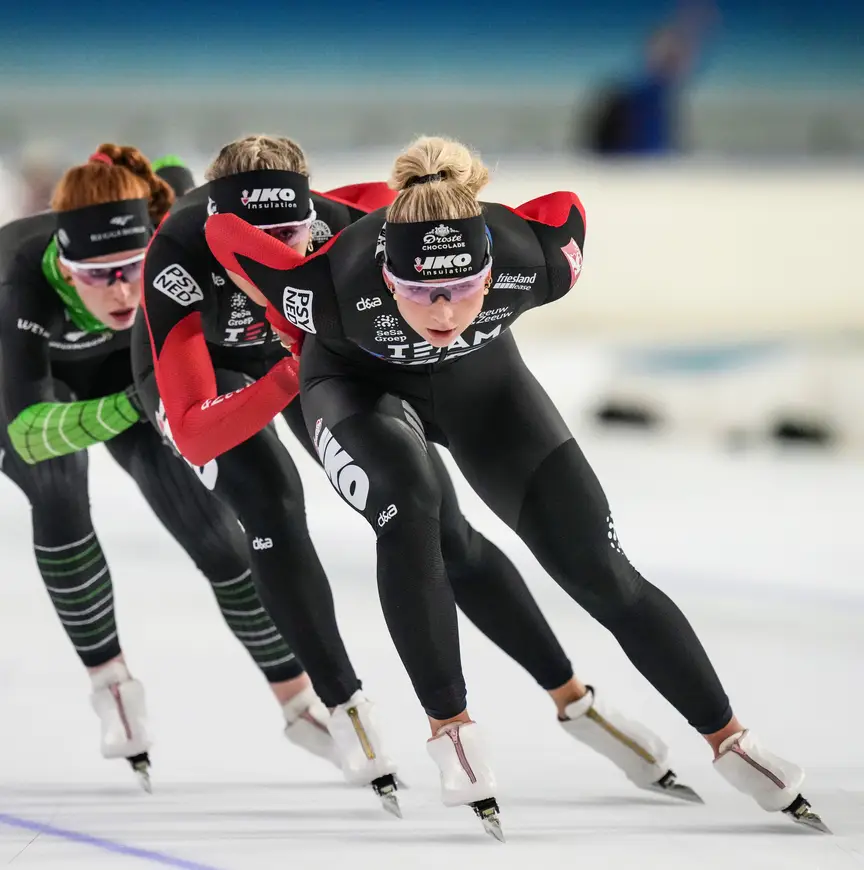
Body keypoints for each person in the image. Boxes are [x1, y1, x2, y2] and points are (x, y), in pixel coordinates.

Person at [201, 135, 829, 840]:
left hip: (485, 390)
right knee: (410, 510)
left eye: (463, 290)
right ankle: (452, 727)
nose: (442, 313)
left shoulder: (532, 258)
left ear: (491, 270)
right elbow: (227, 237)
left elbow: (567, 209)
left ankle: (732, 740)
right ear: (386, 272)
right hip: (355, 388)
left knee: (602, 571)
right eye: (419, 293)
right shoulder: (331, 284)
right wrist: (285, 331)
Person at [0, 144, 336, 794]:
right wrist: (138, 401)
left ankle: (298, 702)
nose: (123, 289)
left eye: (132, 266)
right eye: (98, 275)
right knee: (59, 492)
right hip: (27, 387)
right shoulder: (16, 274)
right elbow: (28, 434)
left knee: (217, 534)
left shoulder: (175, 220)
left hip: (120, 368)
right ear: (65, 273)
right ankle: (111, 683)